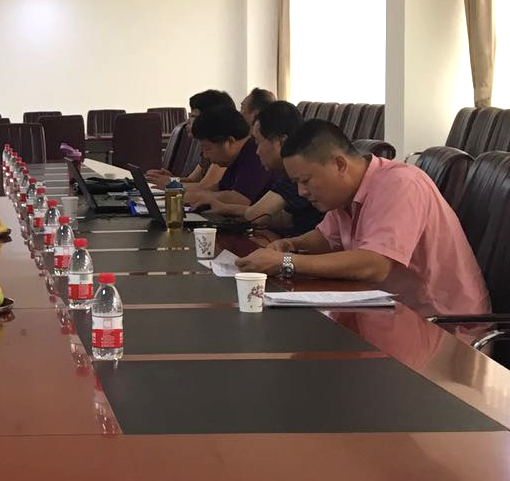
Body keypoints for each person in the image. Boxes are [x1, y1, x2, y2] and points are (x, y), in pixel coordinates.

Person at [236, 120, 491, 318]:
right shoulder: (345, 193)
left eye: (305, 181)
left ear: (339, 164)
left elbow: (375, 265)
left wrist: (286, 262)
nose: (301, 192)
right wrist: (291, 244)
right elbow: (326, 237)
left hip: (443, 327)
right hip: (388, 311)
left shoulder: (400, 184)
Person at [196, 101, 323, 234]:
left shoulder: (297, 173)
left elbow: (257, 215)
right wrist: (225, 208)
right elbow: (282, 219)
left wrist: (227, 208)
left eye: (258, 142)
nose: (257, 151)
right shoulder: (291, 171)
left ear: (281, 141)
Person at [183, 105, 273, 207]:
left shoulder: (255, 152)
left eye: (207, 148)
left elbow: (239, 199)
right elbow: (218, 188)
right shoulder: (235, 158)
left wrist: (198, 196)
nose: (205, 155)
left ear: (229, 141)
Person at [145, 89, 236, 188]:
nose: (187, 122)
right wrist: (170, 178)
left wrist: (170, 183)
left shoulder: (221, 147)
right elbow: (192, 180)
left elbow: (205, 187)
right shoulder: (207, 146)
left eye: (193, 116)